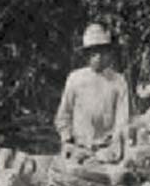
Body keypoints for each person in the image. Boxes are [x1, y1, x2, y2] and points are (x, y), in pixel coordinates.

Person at [54, 23, 130, 155]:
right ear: (86, 55)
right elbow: (63, 116)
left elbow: (122, 120)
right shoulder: (75, 79)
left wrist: (115, 145)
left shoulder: (118, 81)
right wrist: (67, 140)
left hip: (108, 150)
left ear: (109, 53)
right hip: (79, 148)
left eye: (102, 52)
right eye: (93, 53)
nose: (98, 57)